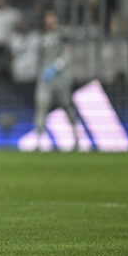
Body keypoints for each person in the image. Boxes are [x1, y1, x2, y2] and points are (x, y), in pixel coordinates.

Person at [34, 10, 78, 151]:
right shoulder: (41, 37)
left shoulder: (63, 35)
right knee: (42, 104)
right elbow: (39, 57)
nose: (50, 22)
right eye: (48, 20)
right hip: (45, 77)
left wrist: (55, 67)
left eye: (52, 19)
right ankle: (39, 141)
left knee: (66, 105)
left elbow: (67, 54)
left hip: (61, 77)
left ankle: (77, 138)